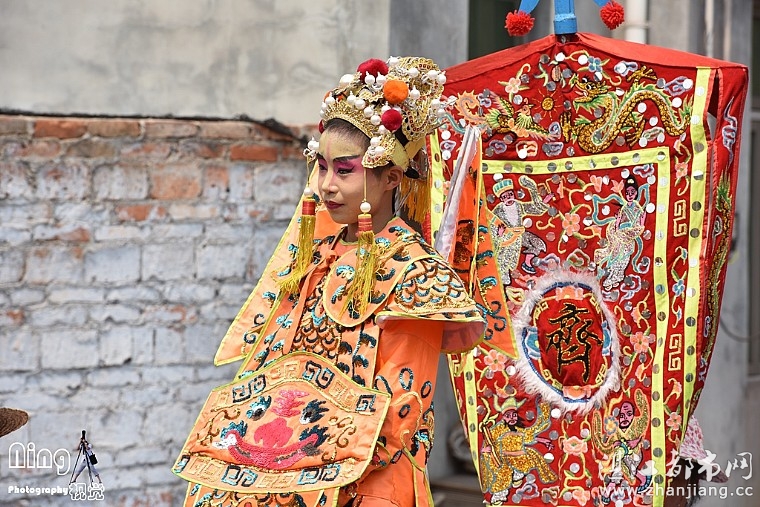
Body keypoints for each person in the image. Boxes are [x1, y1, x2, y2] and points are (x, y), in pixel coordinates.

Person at [173, 56, 486, 507]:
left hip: (369, 484)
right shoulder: (314, 257)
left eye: (345, 170)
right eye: (321, 167)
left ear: (390, 178)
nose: (326, 185)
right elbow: (269, 374)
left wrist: (301, 473)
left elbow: (401, 412)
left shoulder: (416, 273)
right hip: (279, 477)